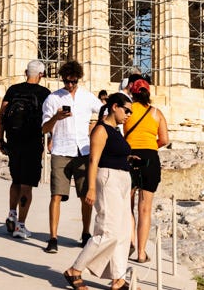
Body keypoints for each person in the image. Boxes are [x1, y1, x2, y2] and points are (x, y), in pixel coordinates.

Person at [62, 93, 134, 290]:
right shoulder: (101, 129)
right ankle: (75, 269)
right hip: (108, 179)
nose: (129, 115)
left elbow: (114, 153)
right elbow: (93, 160)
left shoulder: (116, 130)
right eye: (126, 110)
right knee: (108, 230)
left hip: (122, 179)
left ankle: (118, 278)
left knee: (123, 232)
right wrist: (91, 188)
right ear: (114, 107)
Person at [40, 60, 103, 254]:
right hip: (61, 150)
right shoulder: (53, 98)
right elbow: (44, 128)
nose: (69, 85)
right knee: (56, 195)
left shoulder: (87, 97)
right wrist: (56, 118)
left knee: (85, 197)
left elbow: (105, 112)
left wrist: (99, 130)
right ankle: (53, 237)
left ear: (78, 79)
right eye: (66, 81)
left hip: (83, 150)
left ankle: (85, 233)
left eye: (73, 81)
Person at [0, 59, 51, 240]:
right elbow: (50, 120)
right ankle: (20, 225)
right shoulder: (44, 94)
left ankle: (12, 213)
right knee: (27, 186)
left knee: (16, 181)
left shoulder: (13, 90)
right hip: (32, 143)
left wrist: (0, 139)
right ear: (41, 74)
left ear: (26, 73)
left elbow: (2, 116)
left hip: (14, 141)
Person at [124, 78, 169, 264]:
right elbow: (164, 140)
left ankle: (130, 241)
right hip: (150, 158)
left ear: (132, 93)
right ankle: (141, 253)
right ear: (148, 93)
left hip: (129, 156)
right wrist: (150, 147)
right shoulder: (157, 113)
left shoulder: (127, 110)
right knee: (145, 208)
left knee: (127, 205)